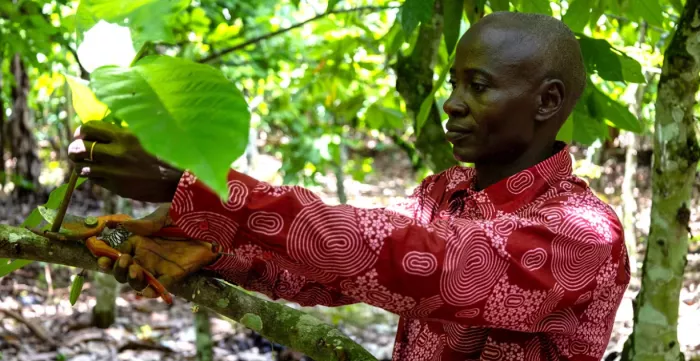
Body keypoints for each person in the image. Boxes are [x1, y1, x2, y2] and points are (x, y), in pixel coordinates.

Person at [68, 11, 630, 361]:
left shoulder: (582, 231)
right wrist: (207, 248)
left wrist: (195, 186)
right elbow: (333, 271)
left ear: (548, 102)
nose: (452, 105)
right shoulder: (445, 193)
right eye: (453, 84)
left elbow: (429, 268)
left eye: (478, 87)